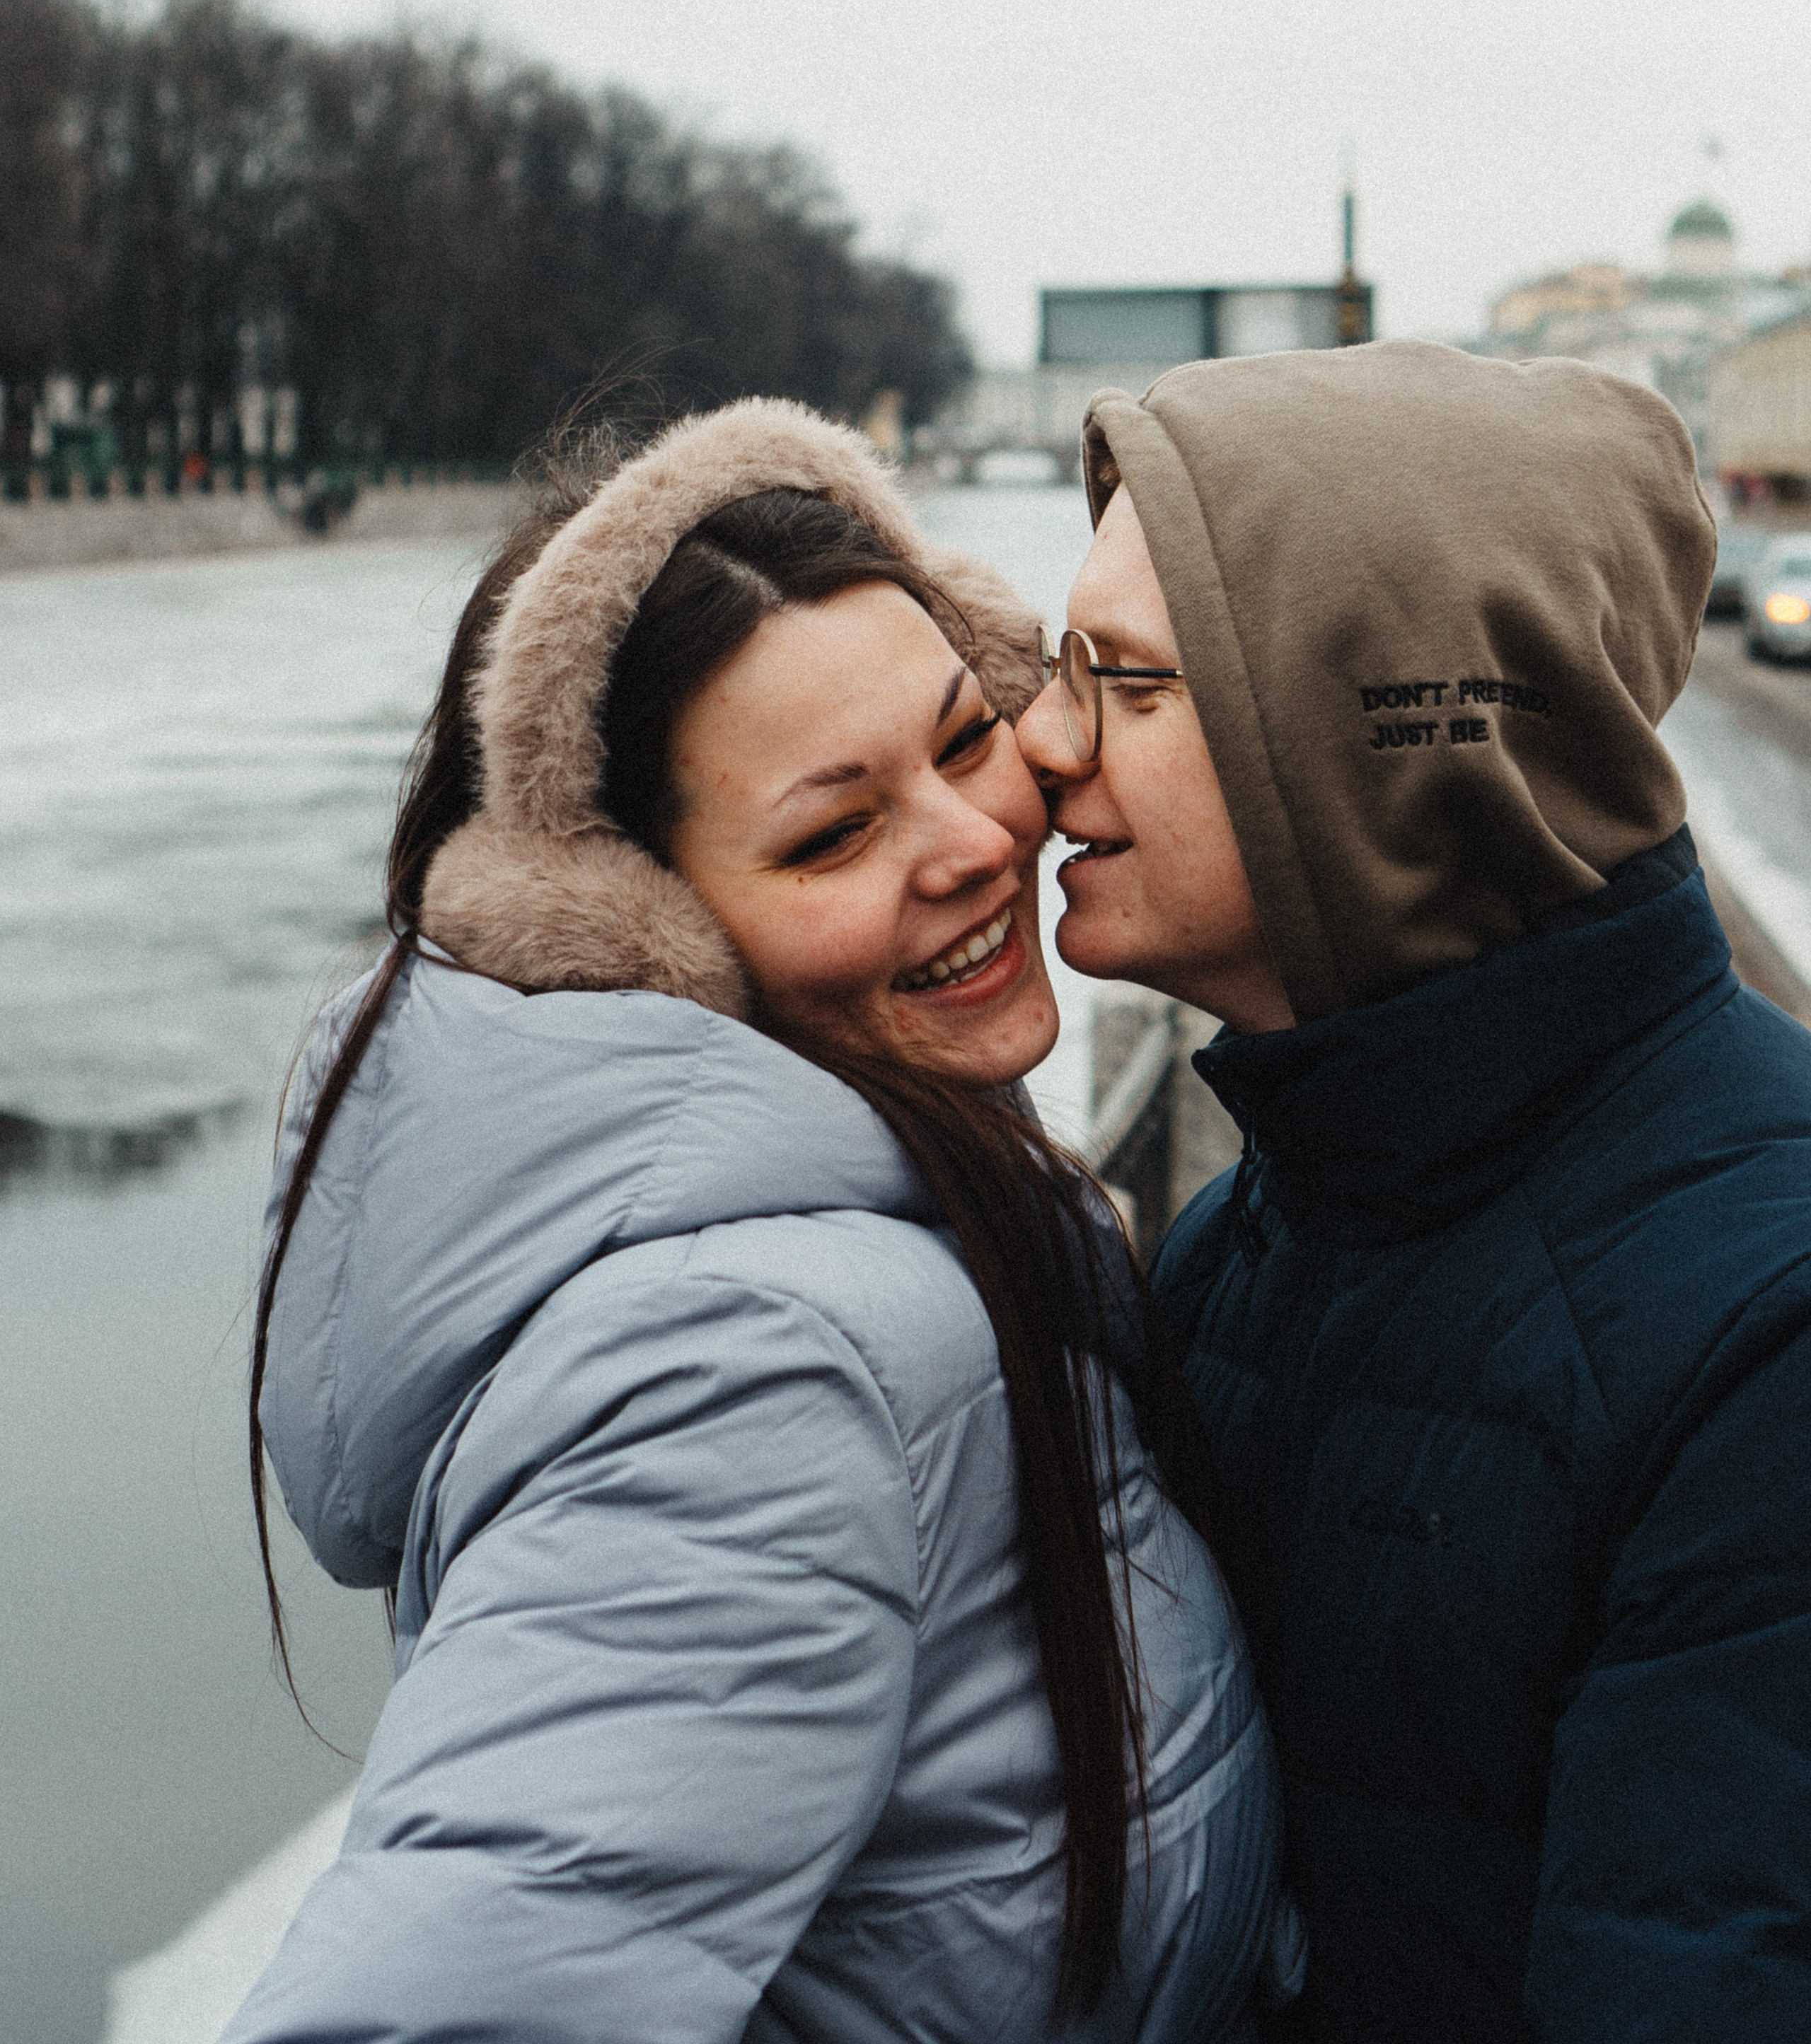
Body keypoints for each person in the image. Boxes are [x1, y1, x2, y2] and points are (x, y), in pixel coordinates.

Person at [225, 399, 1295, 2044]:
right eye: (830, 834)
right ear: (643, 941)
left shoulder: (890, 1241)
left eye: (960, 739)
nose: (976, 842)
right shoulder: (760, 1378)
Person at [1017, 339, 1811, 2043]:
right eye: (1055, 664)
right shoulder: (1261, 1227)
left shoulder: (1770, 1325)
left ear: (1387, 748)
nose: (1037, 745)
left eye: (1133, 686)